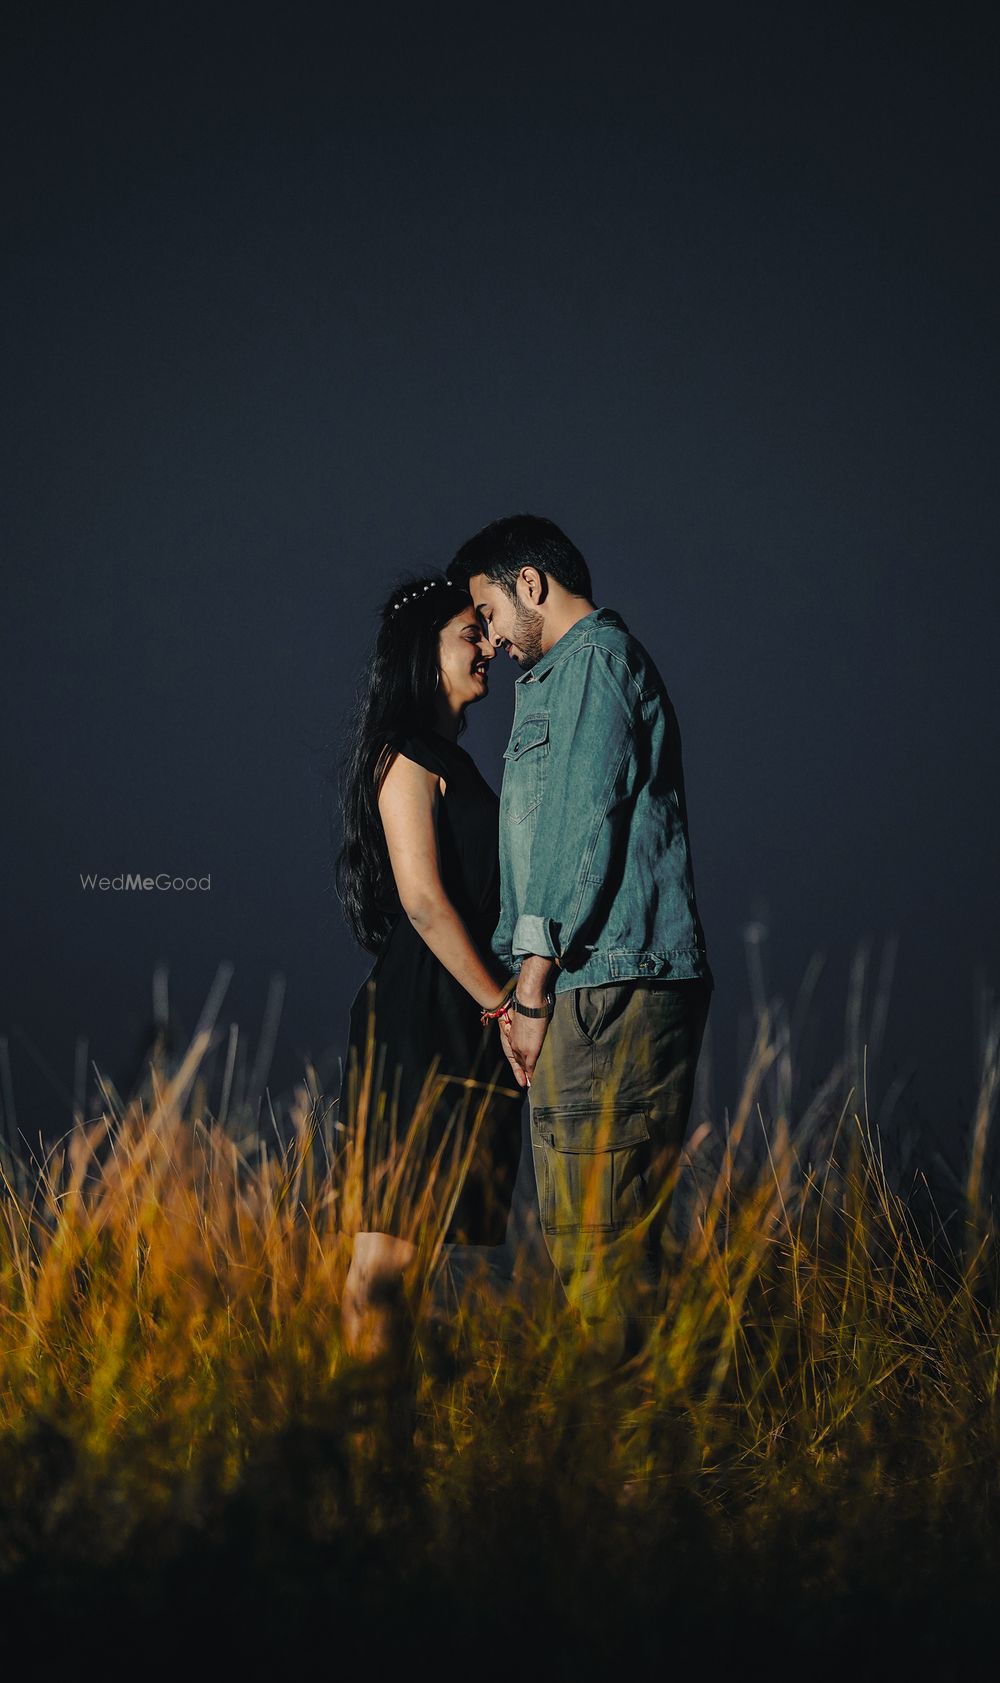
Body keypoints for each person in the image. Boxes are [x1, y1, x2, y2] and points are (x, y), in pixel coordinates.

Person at [448, 515, 714, 1366]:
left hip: (605, 983)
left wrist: (529, 988)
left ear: (531, 584)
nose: (489, 638)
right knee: (595, 1240)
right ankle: (661, 1456)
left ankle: (640, 1475)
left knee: (601, 1247)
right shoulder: (568, 675)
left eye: (487, 611)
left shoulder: (595, 662)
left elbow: (575, 829)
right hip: (590, 985)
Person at [335, 573, 524, 1368]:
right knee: (387, 1257)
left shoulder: (455, 759)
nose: (486, 646)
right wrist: (504, 1005)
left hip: (463, 1011)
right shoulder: (402, 755)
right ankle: (356, 1441)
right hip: (424, 1016)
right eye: (467, 633)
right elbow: (421, 900)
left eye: (485, 631)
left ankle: (385, 1441)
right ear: (424, 653)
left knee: (421, 1253)